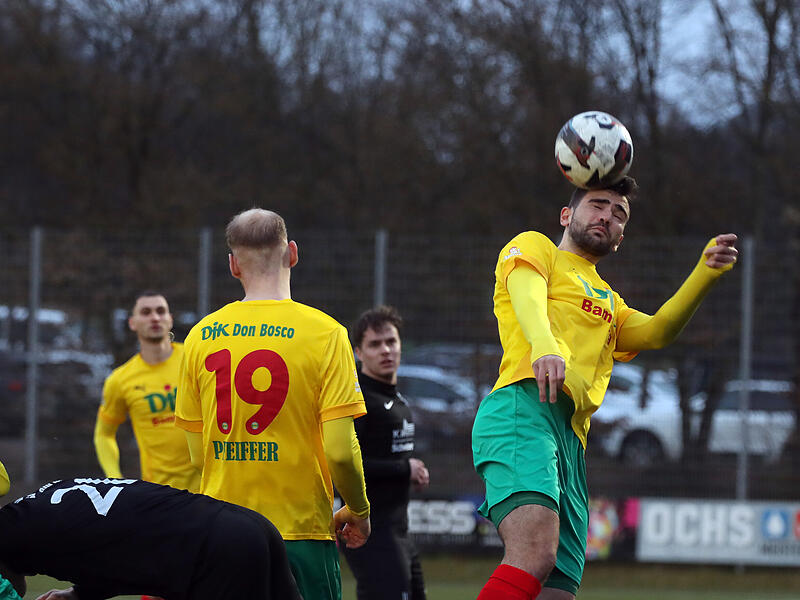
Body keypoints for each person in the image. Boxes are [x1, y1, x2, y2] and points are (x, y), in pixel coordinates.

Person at [471, 176, 738, 600]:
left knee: (558, 587)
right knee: (535, 553)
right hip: (522, 409)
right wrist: (544, 347)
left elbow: (657, 332)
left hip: (571, 442)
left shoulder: (610, 301)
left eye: (619, 215)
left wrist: (704, 274)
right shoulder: (537, 248)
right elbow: (526, 293)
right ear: (567, 214)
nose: (607, 217)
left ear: (621, 238)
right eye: (598, 205)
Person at [175, 208, 371, 600]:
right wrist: (359, 510)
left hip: (223, 533)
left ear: (233, 265)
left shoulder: (200, 336)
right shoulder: (327, 333)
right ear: (293, 253)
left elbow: (199, 456)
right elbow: (340, 451)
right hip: (300, 533)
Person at [0, 460, 301, 600]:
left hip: (218, 554)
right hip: (253, 527)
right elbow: (114, 545)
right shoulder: (44, 502)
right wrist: (78, 595)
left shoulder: (31, 541)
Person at [343, 305, 430, 600]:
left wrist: (410, 472)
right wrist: (405, 470)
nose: (386, 350)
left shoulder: (395, 396)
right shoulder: (358, 401)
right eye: (375, 344)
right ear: (358, 352)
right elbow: (344, 466)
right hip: (370, 530)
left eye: (391, 342)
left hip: (399, 530)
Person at [94, 292, 200, 492]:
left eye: (161, 311)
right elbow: (103, 434)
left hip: (208, 489)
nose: (155, 317)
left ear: (170, 320)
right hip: (159, 494)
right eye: (146, 312)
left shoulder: (195, 359)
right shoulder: (120, 379)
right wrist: (115, 479)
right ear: (132, 323)